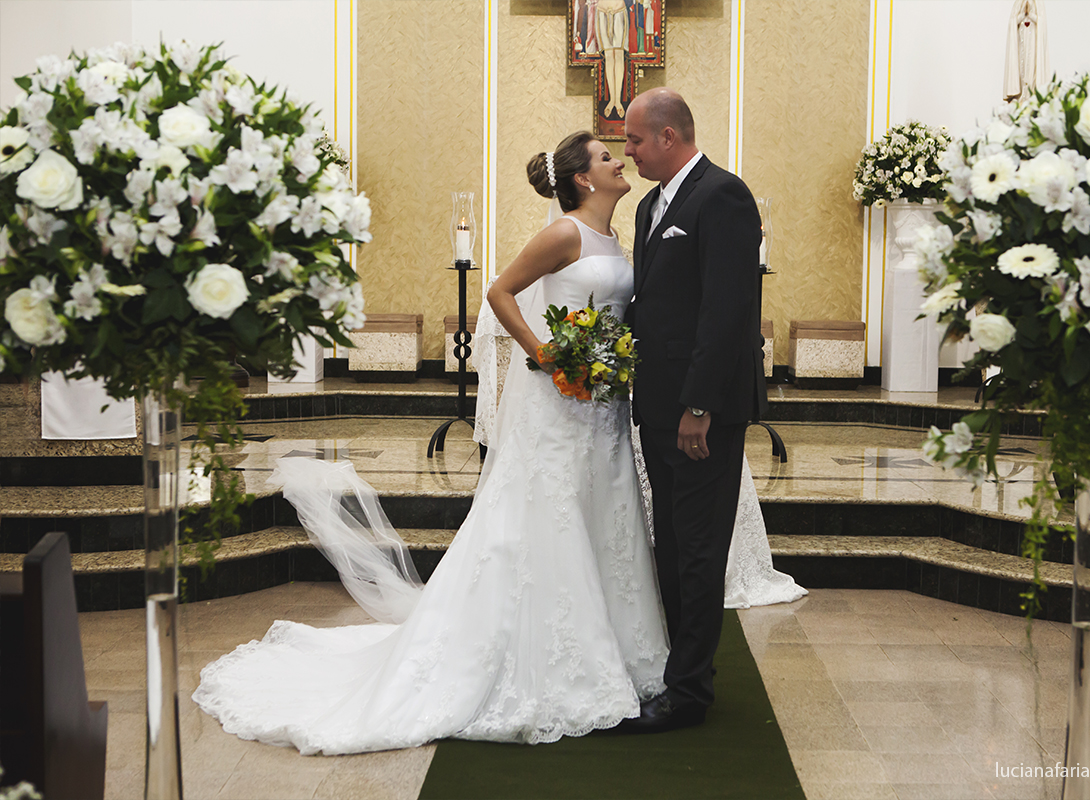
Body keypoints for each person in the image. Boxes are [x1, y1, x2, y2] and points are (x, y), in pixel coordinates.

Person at [191, 131, 670, 753]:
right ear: (583, 179)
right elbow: (499, 292)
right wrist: (547, 355)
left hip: (604, 405)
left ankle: (617, 648)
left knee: (602, 515)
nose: (620, 160)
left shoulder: (614, 236)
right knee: (547, 520)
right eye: (607, 157)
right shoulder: (565, 233)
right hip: (560, 403)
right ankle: (549, 661)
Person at [621, 88, 768, 732]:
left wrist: (700, 405)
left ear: (669, 138)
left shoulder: (723, 195)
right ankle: (681, 668)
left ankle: (688, 694)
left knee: (700, 547)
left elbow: (727, 311)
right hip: (655, 404)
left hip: (700, 409)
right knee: (672, 540)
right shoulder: (652, 204)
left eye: (634, 141)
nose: (628, 154)